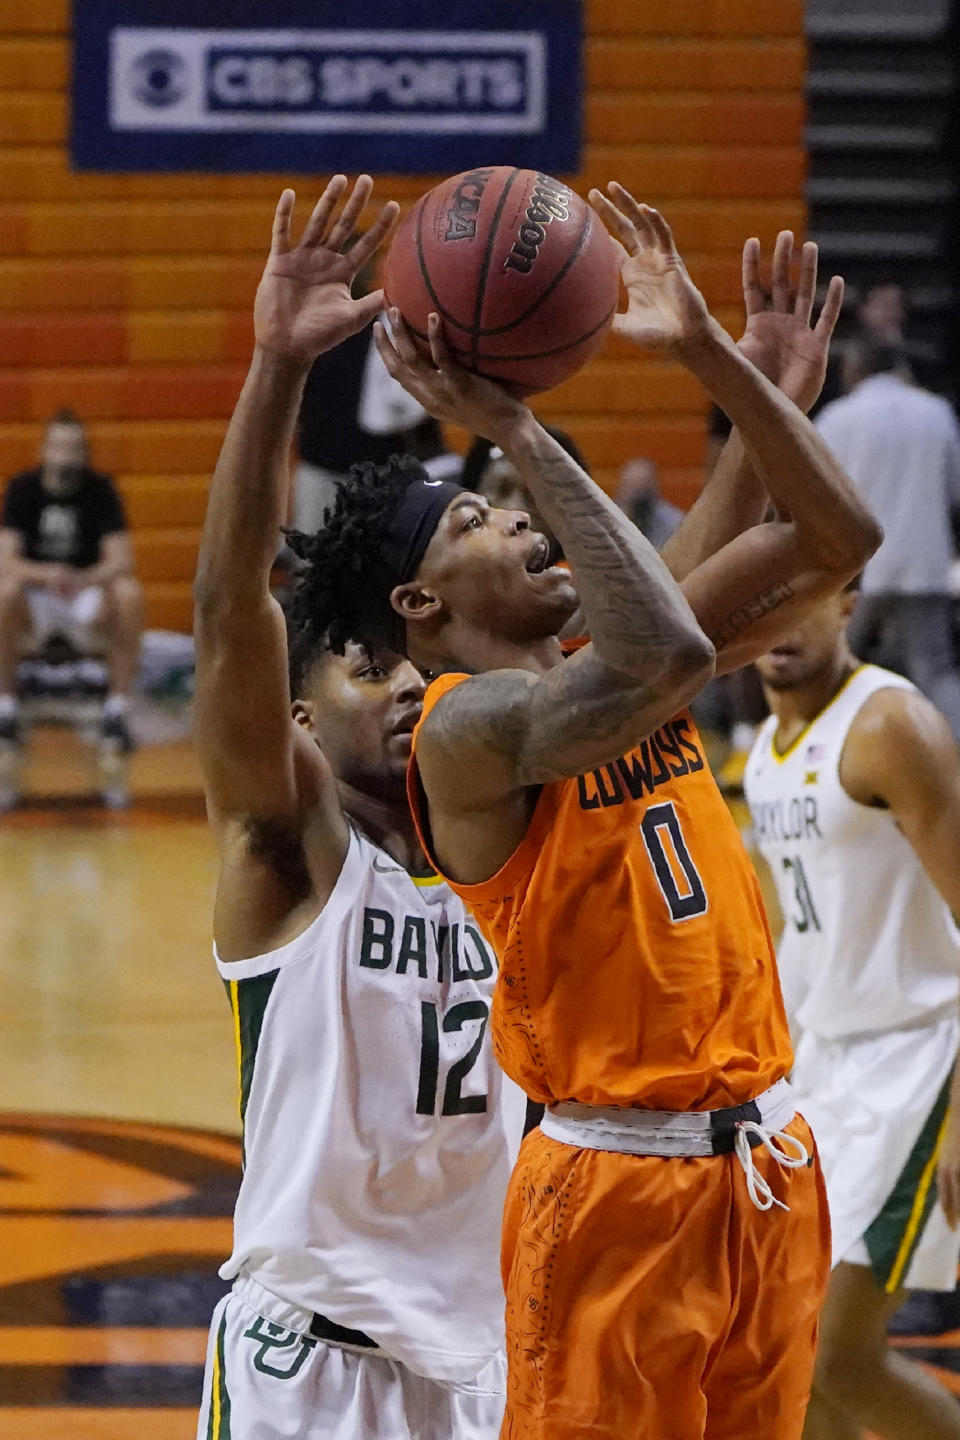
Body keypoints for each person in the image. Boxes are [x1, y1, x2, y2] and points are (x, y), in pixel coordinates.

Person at [295, 188, 882, 1438]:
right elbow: (665, 646)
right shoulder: (464, 735)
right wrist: (508, 417)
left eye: (506, 497)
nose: (510, 512)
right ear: (417, 602)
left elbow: (840, 534)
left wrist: (733, 370)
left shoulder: (606, 658)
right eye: (474, 515)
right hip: (616, 1183)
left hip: (771, 1164)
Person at [192, 176, 525, 1440]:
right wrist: (276, 368)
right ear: (292, 717)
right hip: (308, 1369)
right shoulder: (293, 853)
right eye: (361, 665)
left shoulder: (499, 828)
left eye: (410, 662)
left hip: (479, 1364)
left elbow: (677, 643)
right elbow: (232, 612)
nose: (400, 684)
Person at [744, 588, 960, 1440]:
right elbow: (804, 932)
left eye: (803, 600)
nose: (780, 623)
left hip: (918, 1064)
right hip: (826, 1071)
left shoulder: (888, 727)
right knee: (792, 1353)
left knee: (841, 1356)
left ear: (848, 604)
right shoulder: (762, 750)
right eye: (765, 603)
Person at [814, 335, 960, 739]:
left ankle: (829, 748)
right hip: (924, 561)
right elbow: (955, 492)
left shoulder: (837, 418)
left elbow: (816, 495)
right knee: (935, 670)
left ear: (856, 368)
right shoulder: (936, 412)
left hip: (858, 569)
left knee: (836, 665)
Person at [0, 409, 142, 754]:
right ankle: (6, 707)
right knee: (3, 593)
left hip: (85, 595)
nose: (66, 456)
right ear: (44, 450)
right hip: (37, 598)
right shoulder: (22, 489)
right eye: (59, 447)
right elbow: (6, 558)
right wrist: (45, 575)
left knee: (129, 594)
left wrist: (79, 578)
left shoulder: (100, 489)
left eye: (74, 448)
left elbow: (122, 560)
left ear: (84, 452)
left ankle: (117, 710)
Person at [614, 455, 684, 550]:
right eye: (630, 486)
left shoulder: (675, 524)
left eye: (641, 488)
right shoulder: (607, 520)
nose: (636, 495)